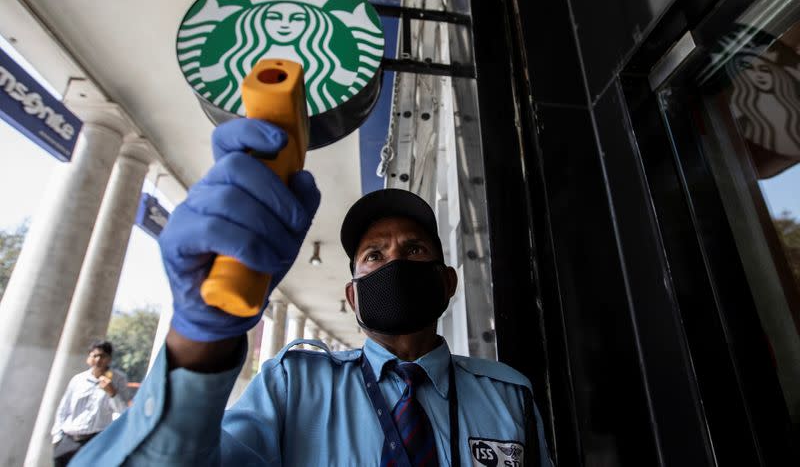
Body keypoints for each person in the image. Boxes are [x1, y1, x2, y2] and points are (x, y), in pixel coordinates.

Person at [72, 118, 552, 466]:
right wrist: (201, 336)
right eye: (374, 256)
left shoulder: (508, 395)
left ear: (447, 283)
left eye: (414, 248)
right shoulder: (293, 387)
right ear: (352, 296)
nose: (395, 261)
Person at [51, 340, 130, 466]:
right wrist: (58, 438)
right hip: (69, 439)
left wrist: (112, 393)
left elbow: (123, 411)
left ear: (109, 359)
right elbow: (63, 409)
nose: (98, 360)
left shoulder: (119, 379)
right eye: (94, 356)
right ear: (89, 358)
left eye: (102, 356)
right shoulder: (78, 380)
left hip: (95, 441)